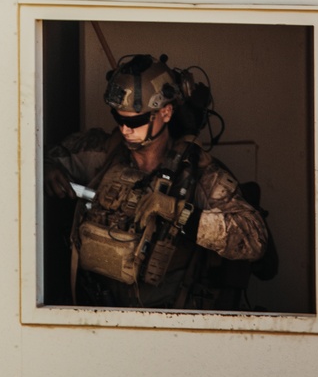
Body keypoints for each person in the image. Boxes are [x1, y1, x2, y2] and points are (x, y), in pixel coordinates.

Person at [45, 53, 268, 309]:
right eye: (118, 118)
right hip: (102, 316)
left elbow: (254, 238)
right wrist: (49, 167)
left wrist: (178, 213)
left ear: (166, 112)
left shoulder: (199, 173)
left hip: (168, 323)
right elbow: (34, 158)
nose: (125, 129)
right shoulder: (104, 153)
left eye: (135, 121)